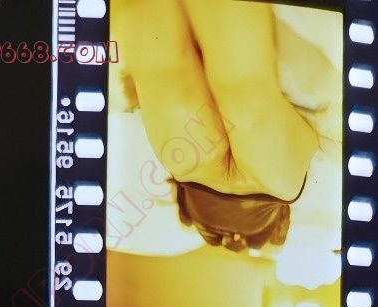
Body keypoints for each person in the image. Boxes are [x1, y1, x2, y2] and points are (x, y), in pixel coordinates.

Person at [108, 0, 342, 278]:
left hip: (267, 189)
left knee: (243, 89)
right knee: (167, 72)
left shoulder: (316, 236)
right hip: (199, 186)